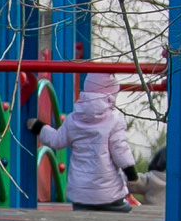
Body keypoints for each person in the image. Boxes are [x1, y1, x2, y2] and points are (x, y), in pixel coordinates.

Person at [28, 73, 139, 213]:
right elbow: (120, 149)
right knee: (126, 213)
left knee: (83, 218)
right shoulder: (114, 119)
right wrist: (131, 172)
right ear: (111, 95)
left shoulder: (72, 119)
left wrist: (40, 127)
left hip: (80, 194)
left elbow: (56, 140)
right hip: (108, 193)